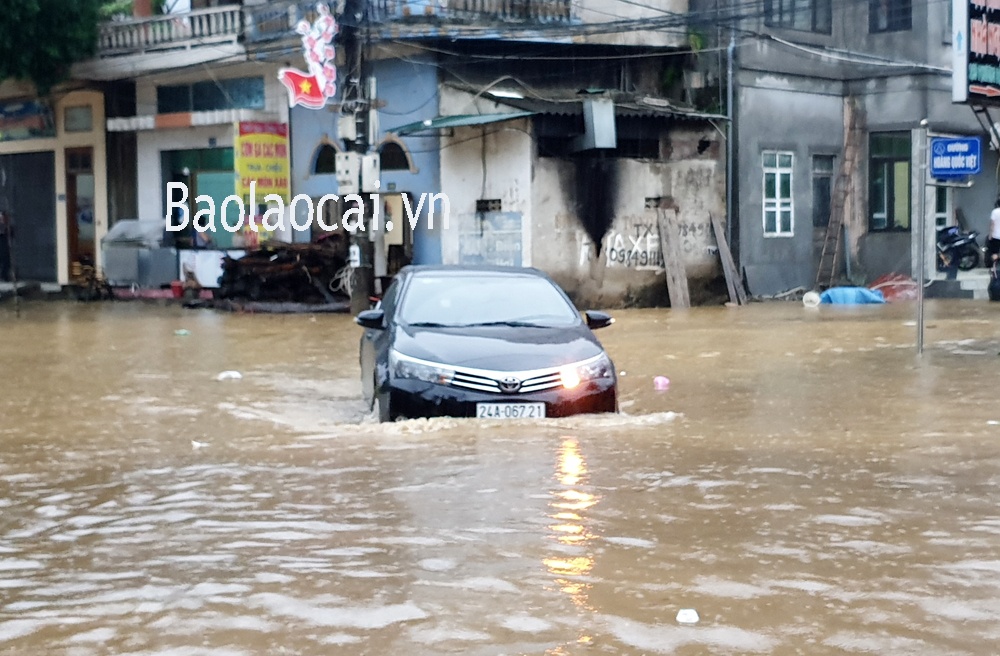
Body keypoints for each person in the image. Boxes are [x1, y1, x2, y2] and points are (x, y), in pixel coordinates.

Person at [0, 210, 11, 282]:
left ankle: (4, 276)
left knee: (6, 262)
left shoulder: (8, 227)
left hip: (5, 248)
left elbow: (11, 235)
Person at [989, 196, 1000, 267]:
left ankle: (994, 267)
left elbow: (992, 224)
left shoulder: (994, 212)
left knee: (994, 253)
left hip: (995, 235)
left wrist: (990, 235)